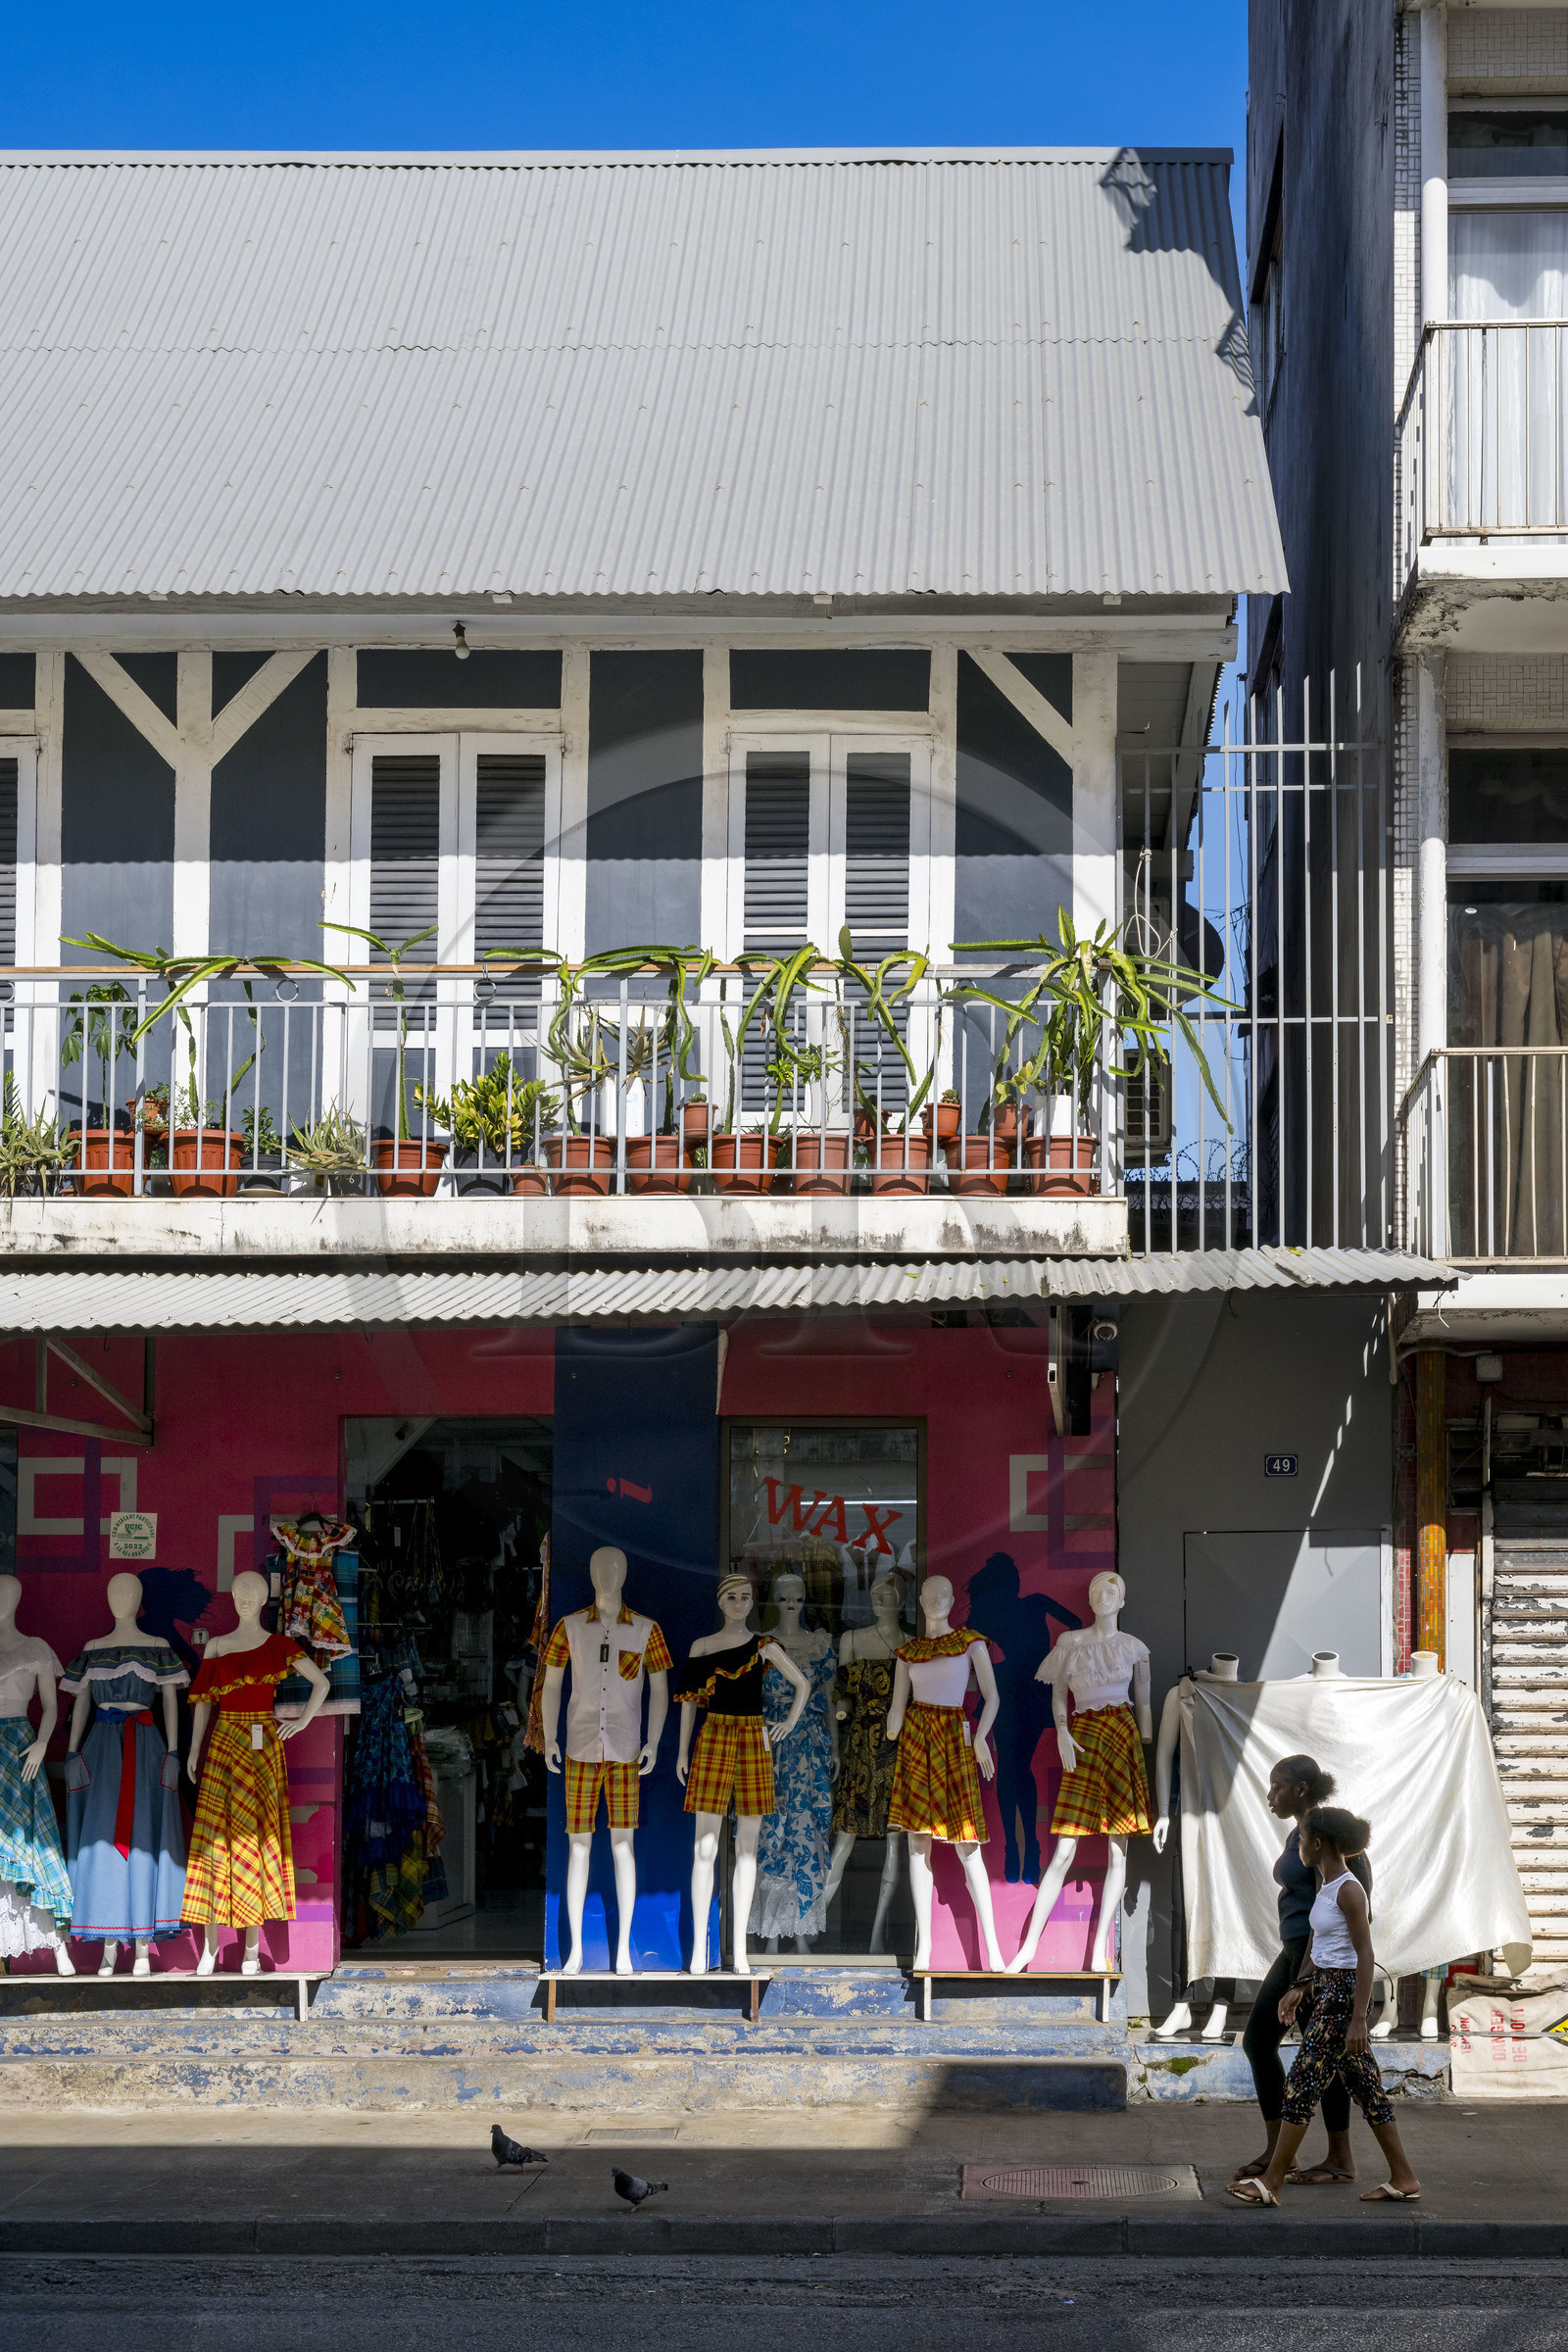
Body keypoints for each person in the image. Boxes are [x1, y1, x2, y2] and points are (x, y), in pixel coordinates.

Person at [1227, 1806, 1422, 2208]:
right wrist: (1298, 1985)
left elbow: (1364, 1955)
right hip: (1326, 1988)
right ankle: (1404, 2177)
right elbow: (1321, 1943)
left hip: (1342, 1998)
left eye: (1301, 1838)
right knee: (1368, 2092)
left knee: (1301, 2085)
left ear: (1317, 1844)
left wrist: (1358, 2020)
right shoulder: (1327, 1887)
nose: (1297, 1844)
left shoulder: (1350, 1889)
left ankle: (1272, 2182)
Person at [1233, 1754, 1371, 2187]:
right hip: (1296, 1950)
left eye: (1277, 1786)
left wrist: (1309, 1976)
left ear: (1301, 1789)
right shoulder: (1301, 1830)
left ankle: (1339, 2158)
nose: (1269, 1795)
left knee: (1326, 2058)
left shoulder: (1322, 1832)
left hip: (1315, 1959)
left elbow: (1343, 1902)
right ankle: (1281, 2153)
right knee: (1259, 2042)